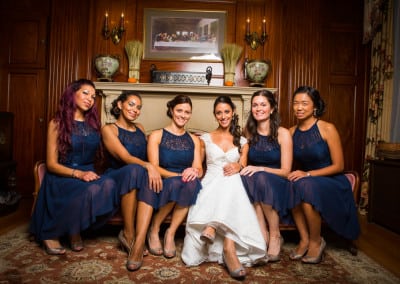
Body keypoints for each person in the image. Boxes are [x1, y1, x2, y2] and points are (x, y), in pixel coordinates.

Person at [181, 96, 266, 281]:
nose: (223, 116)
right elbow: (200, 167)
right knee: (227, 179)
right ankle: (226, 246)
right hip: (211, 181)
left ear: (233, 112)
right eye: (219, 112)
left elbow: (242, 165)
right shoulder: (204, 139)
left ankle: (221, 237)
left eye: (226, 111)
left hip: (233, 181)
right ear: (214, 115)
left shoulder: (243, 141)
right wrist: (192, 170)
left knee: (233, 179)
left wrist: (238, 167)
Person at [30, 79, 118, 255]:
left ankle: (74, 227)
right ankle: (54, 232)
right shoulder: (56, 123)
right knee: (91, 189)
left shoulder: (94, 124)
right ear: (72, 93)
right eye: (85, 93)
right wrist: (78, 173)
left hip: (88, 173)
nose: (90, 99)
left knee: (111, 184)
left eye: (93, 96)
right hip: (63, 176)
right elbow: (52, 164)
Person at [287, 86, 360, 264]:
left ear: (315, 106)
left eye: (304, 103)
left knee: (304, 185)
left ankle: (316, 241)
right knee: (290, 184)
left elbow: (339, 166)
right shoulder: (291, 132)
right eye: (296, 103)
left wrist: (308, 174)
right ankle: (304, 239)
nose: (299, 107)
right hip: (308, 180)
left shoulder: (327, 128)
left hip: (331, 179)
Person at [101, 91, 162, 271]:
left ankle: (139, 241)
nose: (135, 110)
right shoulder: (109, 129)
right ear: (119, 105)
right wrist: (149, 166)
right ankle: (128, 234)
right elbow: (125, 157)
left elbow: (148, 156)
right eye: (131, 105)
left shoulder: (141, 128)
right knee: (136, 170)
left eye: (139, 107)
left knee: (144, 176)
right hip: (116, 176)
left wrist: (153, 168)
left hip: (138, 174)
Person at [146, 95, 203, 259]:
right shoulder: (156, 135)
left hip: (186, 182)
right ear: (171, 110)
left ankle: (170, 233)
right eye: (179, 110)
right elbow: (154, 167)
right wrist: (179, 175)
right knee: (179, 183)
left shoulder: (194, 139)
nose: (183, 115)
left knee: (191, 183)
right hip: (163, 181)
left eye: (187, 112)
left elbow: (198, 167)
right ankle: (154, 229)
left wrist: (194, 172)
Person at [240, 90, 293, 262]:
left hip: (278, 182)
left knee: (259, 178)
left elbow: (286, 171)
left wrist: (261, 168)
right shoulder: (247, 132)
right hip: (256, 183)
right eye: (255, 105)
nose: (258, 108)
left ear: (272, 109)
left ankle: (275, 234)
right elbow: (243, 162)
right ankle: (262, 234)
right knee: (247, 178)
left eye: (263, 104)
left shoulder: (283, 133)